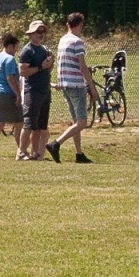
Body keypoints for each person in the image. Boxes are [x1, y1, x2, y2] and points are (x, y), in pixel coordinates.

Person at [47, 12, 96, 164]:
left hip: (64, 84)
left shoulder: (62, 40)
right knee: (82, 123)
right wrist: (92, 88)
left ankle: (79, 153)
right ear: (80, 25)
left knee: (76, 121)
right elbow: (83, 67)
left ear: (68, 24)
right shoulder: (77, 42)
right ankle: (56, 144)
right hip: (76, 84)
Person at [17, 20, 55, 160]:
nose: (41, 34)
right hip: (32, 91)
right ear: (31, 34)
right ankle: (21, 152)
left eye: (43, 31)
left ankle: (36, 153)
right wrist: (40, 67)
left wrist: (50, 64)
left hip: (44, 91)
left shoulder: (44, 49)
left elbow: (47, 68)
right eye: (38, 32)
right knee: (29, 124)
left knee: (40, 126)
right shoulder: (27, 50)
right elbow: (22, 71)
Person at [0, 32, 21, 159]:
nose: (16, 50)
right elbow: (10, 78)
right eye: (16, 47)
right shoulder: (9, 59)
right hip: (6, 94)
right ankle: (21, 151)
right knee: (20, 124)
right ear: (10, 46)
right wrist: (18, 94)